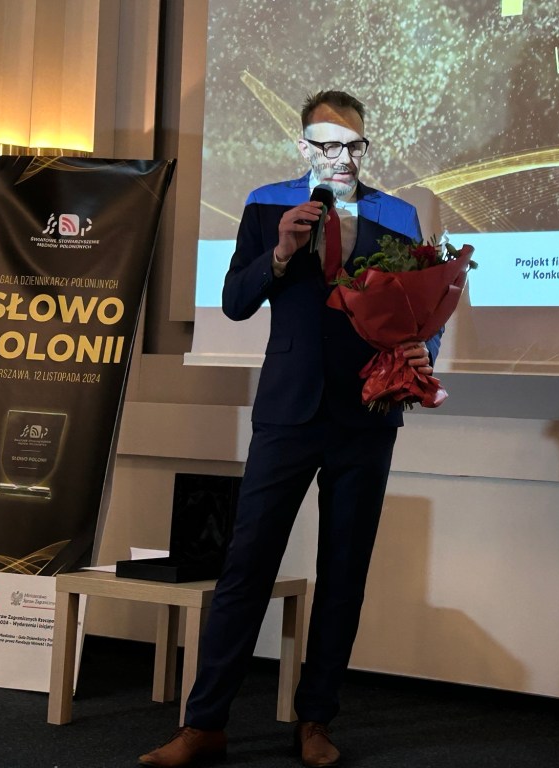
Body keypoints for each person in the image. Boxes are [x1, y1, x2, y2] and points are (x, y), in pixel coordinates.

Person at [139, 90, 439, 768]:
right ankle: (204, 725)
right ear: (304, 146)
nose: (343, 156)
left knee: (344, 570)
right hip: (287, 411)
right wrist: (279, 253)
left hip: (368, 412)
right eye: (328, 145)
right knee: (246, 566)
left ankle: (315, 719)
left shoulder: (398, 214)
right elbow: (235, 302)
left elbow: (422, 310)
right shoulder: (266, 204)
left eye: (354, 145)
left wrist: (425, 355)